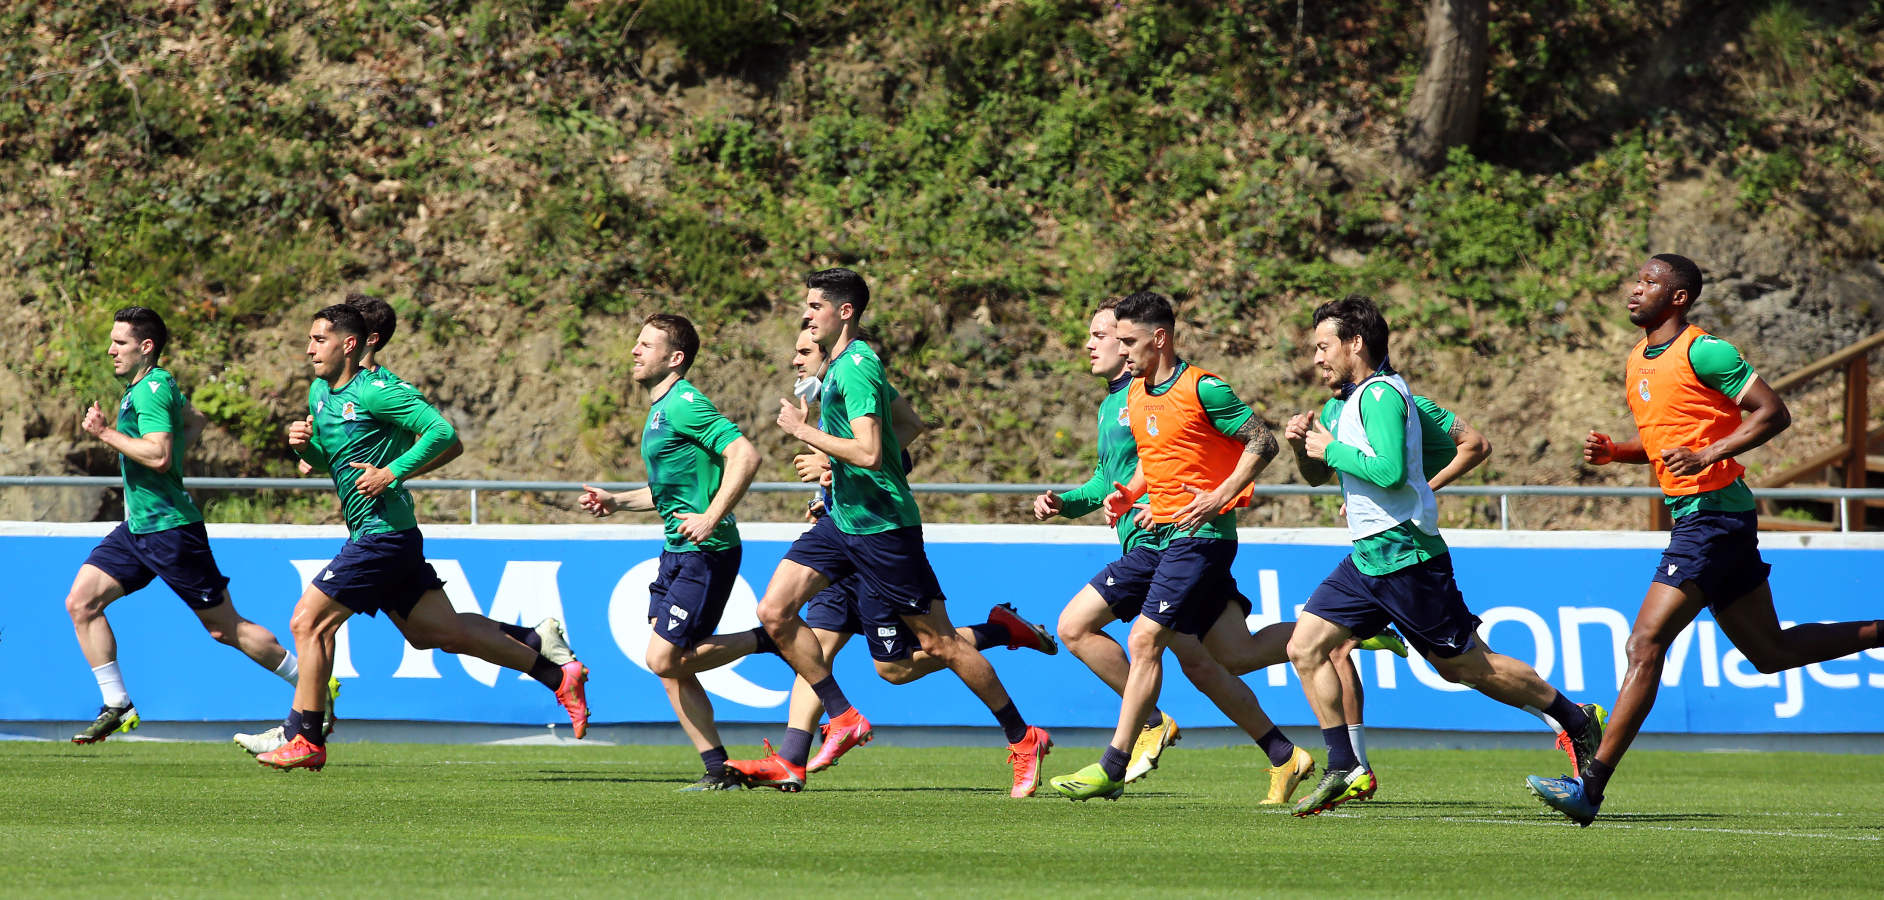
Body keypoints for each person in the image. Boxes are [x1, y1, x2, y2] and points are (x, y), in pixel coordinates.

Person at [1527, 255, 1884, 826]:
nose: (1635, 289)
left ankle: (1589, 788)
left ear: (1679, 298)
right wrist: (1618, 453)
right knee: (1771, 653)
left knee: (1644, 644)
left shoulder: (1705, 351)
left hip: (1711, 517)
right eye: (1637, 280)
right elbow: (1669, 442)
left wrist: (1708, 455)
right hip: (1715, 519)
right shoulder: (1638, 359)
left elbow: (1774, 413)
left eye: (1649, 282)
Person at [1284, 294, 1601, 817]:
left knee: (1466, 667)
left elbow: (1390, 472)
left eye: (1324, 346)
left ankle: (1576, 719)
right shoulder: (1344, 403)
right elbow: (1323, 474)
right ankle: (1344, 766)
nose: (1316, 358)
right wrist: (1304, 447)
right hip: (1367, 557)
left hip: (1407, 556)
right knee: (1305, 647)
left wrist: (1332, 450)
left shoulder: (1383, 395)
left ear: (1355, 343)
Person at [751, 268, 1052, 798]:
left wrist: (807, 435)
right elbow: (908, 426)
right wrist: (834, 467)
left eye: (815, 306)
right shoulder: (841, 367)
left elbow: (870, 452)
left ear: (845, 312)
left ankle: (1022, 736)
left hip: (883, 530)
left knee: (939, 645)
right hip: (842, 523)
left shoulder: (857, 368)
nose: (806, 315)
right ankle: (842, 718)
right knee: (775, 612)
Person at [256, 304, 589, 770]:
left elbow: (444, 435)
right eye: (310, 339)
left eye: (319, 339)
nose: (309, 349)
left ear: (350, 344)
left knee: (307, 622)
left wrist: (391, 472)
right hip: (385, 534)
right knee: (435, 633)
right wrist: (306, 446)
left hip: (382, 536)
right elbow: (333, 460)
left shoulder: (378, 392)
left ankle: (306, 737)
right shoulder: (319, 392)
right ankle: (552, 669)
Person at [1046, 292, 1307, 803]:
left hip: (1200, 538)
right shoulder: (1138, 394)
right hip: (1164, 537)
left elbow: (1263, 441)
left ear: (1159, 338)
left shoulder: (1202, 387)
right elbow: (1155, 459)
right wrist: (1131, 494)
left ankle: (1114, 764)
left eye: (1127, 340)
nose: (1121, 350)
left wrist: (1219, 496)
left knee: (1144, 639)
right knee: (1227, 655)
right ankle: (1288, 744)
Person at [64, 307, 301, 744]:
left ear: (146, 346)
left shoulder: (151, 390)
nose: (111, 350)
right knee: (82, 602)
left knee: (224, 628)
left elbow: (157, 454)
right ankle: (117, 704)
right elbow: (195, 421)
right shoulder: (154, 385)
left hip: (170, 530)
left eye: (120, 342)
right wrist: (170, 457)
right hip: (139, 527)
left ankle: (310, 682)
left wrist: (104, 434)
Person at [576, 314, 776, 791]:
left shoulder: (685, 403)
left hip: (706, 551)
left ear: (675, 358)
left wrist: (711, 516)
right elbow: (667, 490)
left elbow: (745, 455)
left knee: (664, 659)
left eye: (647, 345)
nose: (634, 351)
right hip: (676, 551)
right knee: (670, 667)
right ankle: (718, 770)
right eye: (637, 342)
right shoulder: (661, 410)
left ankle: (767, 639)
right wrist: (617, 502)